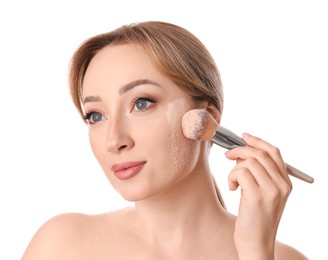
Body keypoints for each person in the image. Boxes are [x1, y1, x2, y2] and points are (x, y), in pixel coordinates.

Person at [22, 21, 308, 259]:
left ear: (206, 116)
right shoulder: (61, 246)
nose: (114, 141)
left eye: (142, 103)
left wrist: (256, 252)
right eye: (96, 116)